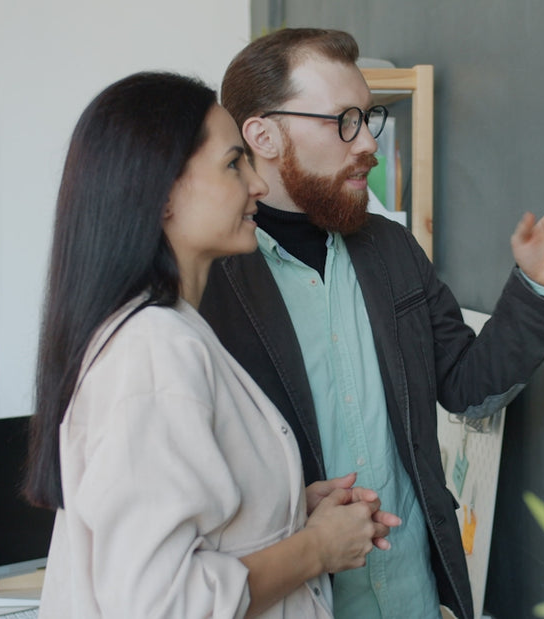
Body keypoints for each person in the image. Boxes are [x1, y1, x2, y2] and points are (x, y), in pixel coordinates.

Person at [200, 28, 544, 619]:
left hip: (414, 592)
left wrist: (538, 287)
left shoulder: (391, 249)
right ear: (263, 134)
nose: (368, 144)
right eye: (343, 121)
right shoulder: (208, 283)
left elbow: (467, 387)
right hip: (297, 602)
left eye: (369, 117)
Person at [23, 71, 400, 618]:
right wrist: (315, 548)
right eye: (233, 164)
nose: (258, 185)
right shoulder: (155, 349)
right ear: (163, 193)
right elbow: (162, 604)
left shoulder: (169, 331)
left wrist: (287, 510)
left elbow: (193, 531)